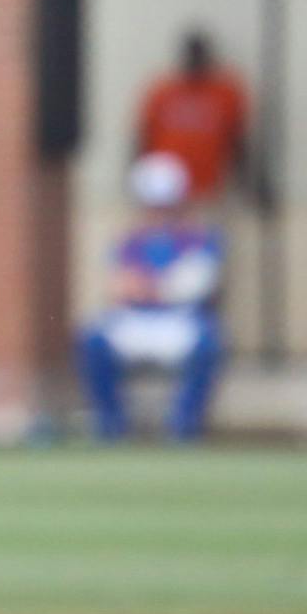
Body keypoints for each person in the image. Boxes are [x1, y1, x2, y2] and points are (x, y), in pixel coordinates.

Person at [76, 152, 225, 441]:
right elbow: (120, 287)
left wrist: (153, 288)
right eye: (152, 205)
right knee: (93, 339)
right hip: (136, 319)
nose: (158, 212)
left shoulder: (200, 238)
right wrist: (159, 287)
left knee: (209, 343)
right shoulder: (130, 240)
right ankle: (111, 425)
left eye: (165, 205)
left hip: (180, 321)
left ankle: (184, 426)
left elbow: (197, 286)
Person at [135, 30, 254, 205]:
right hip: (166, 188)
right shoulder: (163, 91)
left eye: (199, 55)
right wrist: (141, 180)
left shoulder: (226, 92)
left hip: (209, 189)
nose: (195, 61)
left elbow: (238, 140)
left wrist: (242, 182)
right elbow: (143, 137)